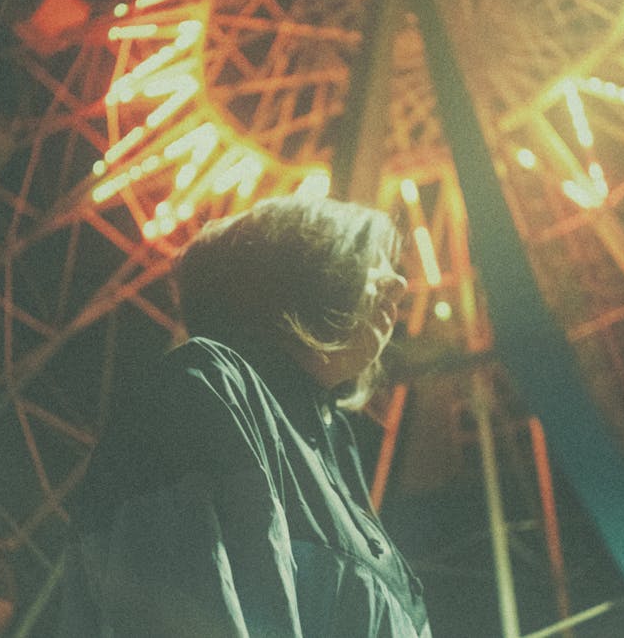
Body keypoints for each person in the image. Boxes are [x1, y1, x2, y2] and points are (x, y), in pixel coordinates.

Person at [59, 194, 431, 637]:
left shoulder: (339, 457)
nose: (400, 283)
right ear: (301, 267)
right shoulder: (205, 389)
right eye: (368, 259)